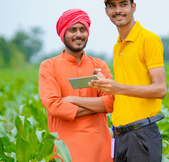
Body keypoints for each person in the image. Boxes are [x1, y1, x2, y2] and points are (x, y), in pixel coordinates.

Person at [89, 0, 167, 162]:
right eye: (112, 6)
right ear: (106, 11)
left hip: (141, 135)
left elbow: (160, 89)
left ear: (133, 7)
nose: (118, 10)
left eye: (123, 4)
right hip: (120, 136)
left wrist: (118, 88)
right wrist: (105, 84)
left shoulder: (149, 39)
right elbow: (127, 85)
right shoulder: (118, 46)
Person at [38, 9, 114, 162]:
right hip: (65, 152)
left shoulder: (99, 65)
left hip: (100, 151)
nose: (79, 34)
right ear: (63, 33)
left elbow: (112, 103)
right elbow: (53, 106)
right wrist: (97, 106)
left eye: (83, 29)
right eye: (72, 30)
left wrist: (71, 99)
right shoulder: (48, 66)